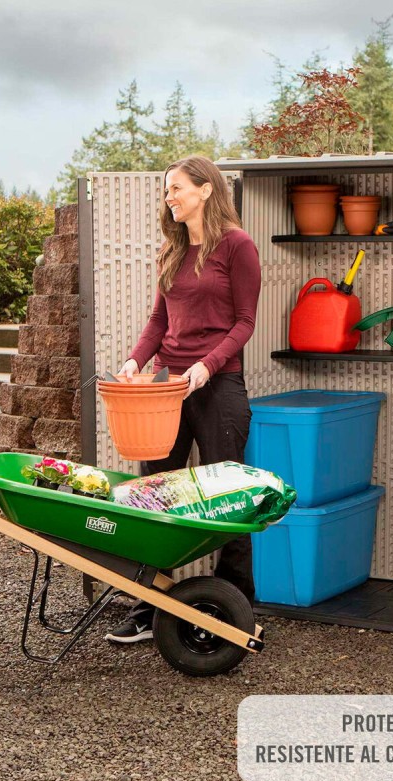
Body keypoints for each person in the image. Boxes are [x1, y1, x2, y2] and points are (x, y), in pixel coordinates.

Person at [105, 155, 262, 644]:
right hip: (166, 388)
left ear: (206, 189)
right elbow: (160, 320)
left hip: (217, 385)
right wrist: (135, 360)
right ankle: (148, 607)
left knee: (228, 498)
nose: (169, 197)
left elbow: (245, 322)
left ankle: (233, 609)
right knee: (155, 496)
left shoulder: (237, 245)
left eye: (176, 187)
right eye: (166, 190)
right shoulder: (172, 249)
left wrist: (207, 365)